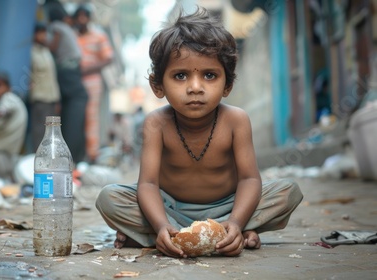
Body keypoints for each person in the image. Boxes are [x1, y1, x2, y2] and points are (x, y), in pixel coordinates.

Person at [95, 8, 303, 258]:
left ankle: (226, 231)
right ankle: (176, 234)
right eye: (180, 76)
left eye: (209, 75)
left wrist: (236, 220)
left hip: (228, 208)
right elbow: (148, 184)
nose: (195, 88)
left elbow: (249, 179)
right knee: (109, 198)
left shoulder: (236, 120)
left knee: (287, 192)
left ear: (227, 85)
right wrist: (161, 223)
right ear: (158, 86)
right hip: (171, 209)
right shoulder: (156, 123)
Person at [45, 3, 88, 164]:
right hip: (74, 70)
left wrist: (42, 42)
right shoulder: (68, 29)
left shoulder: (56, 27)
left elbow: (53, 46)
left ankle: (68, 156)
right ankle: (75, 157)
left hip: (66, 70)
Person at [73, 5, 114, 163]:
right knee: (76, 118)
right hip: (73, 82)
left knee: (91, 118)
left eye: (85, 16)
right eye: (79, 16)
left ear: (89, 18)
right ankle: (76, 155)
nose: (82, 19)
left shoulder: (99, 35)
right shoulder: (72, 35)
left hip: (92, 82)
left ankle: (92, 156)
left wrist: (88, 69)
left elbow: (109, 58)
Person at [30, 22, 60, 152]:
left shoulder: (47, 52)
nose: (43, 36)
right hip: (39, 99)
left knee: (49, 134)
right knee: (39, 133)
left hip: (51, 99)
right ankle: (37, 161)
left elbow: (52, 77)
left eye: (45, 33)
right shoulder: (31, 53)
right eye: (40, 33)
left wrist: (57, 100)